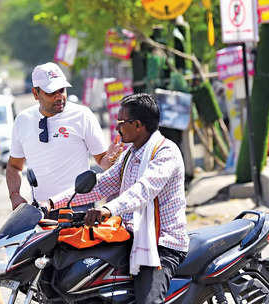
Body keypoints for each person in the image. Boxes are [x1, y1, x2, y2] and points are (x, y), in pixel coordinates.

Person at [46, 93, 189, 304]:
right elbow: (102, 184)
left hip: (162, 245)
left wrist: (108, 210)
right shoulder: (130, 154)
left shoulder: (166, 152)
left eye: (121, 122)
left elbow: (144, 190)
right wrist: (50, 203)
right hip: (130, 235)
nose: (117, 128)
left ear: (138, 125)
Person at [7, 62, 123, 210]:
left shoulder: (83, 115)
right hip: (42, 211)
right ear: (36, 94)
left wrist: (112, 157)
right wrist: (14, 194)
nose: (59, 97)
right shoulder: (23, 120)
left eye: (61, 90)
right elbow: (14, 166)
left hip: (79, 208)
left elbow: (102, 161)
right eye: (51, 92)